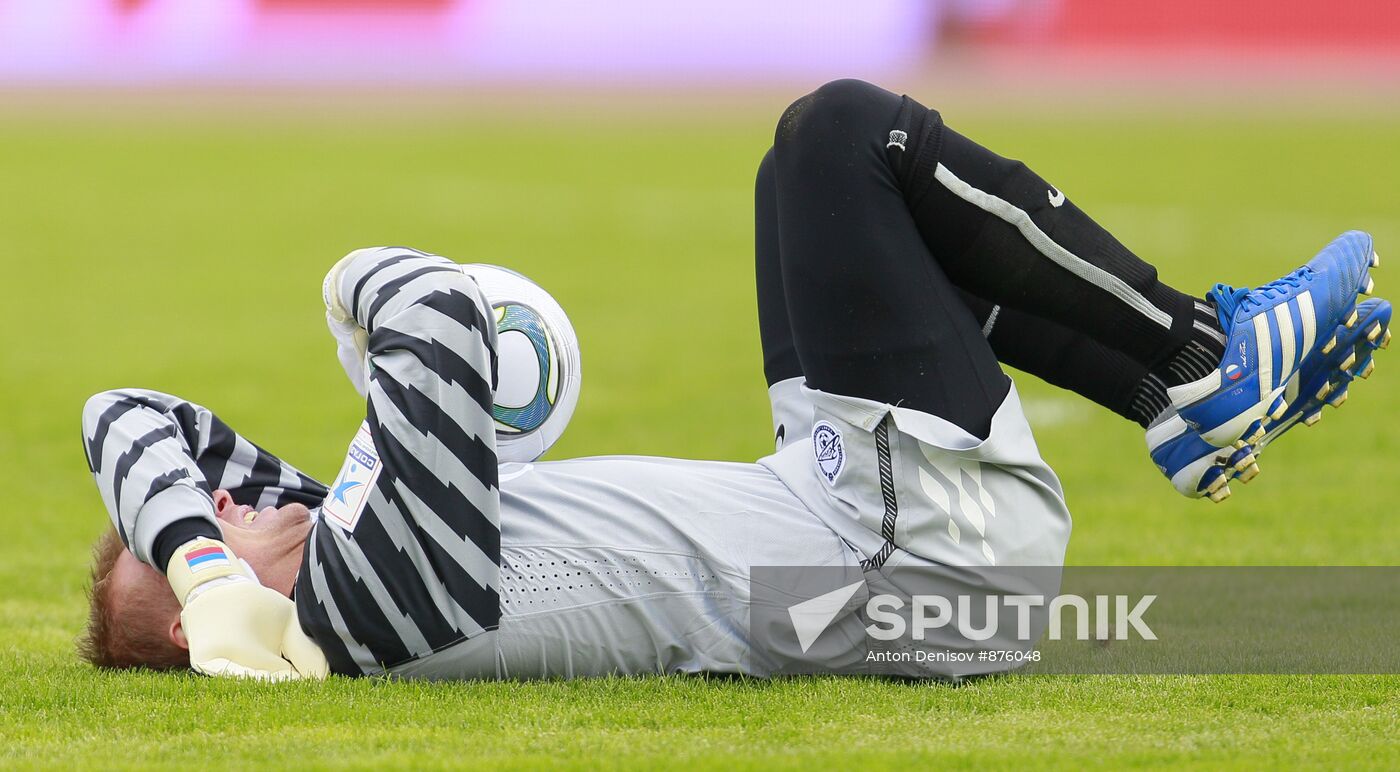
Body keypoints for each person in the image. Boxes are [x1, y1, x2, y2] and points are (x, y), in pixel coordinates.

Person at [78, 79, 1389, 680]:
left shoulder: (330, 561)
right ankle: (1198, 357)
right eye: (206, 528)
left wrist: (193, 562)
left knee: (798, 190)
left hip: (856, 555)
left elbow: (130, 418)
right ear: (219, 619)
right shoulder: (365, 598)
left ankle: (1183, 407)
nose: (229, 497)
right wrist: (343, 300)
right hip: (912, 568)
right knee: (840, 140)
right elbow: (427, 308)